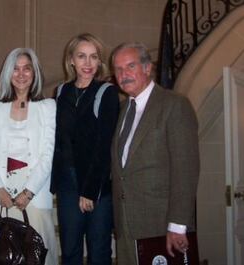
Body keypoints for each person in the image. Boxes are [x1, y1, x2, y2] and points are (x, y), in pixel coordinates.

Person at [110, 42, 200, 265]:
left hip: (161, 224)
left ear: (147, 68)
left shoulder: (174, 105)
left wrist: (178, 225)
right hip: (125, 224)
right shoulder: (121, 110)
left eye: (130, 66)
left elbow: (185, 169)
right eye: (118, 69)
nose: (124, 74)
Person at [0, 48, 58, 265]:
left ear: (34, 73)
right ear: (7, 73)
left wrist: (28, 192)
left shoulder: (48, 106)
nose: (21, 74)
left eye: (26, 68)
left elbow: (48, 153)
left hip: (34, 195)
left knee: (33, 257)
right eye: (15, 69)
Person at [50, 33, 120, 265]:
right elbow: (59, 139)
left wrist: (89, 190)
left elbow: (104, 145)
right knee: (70, 251)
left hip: (97, 184)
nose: (88, 63)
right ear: (71, 60)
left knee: (99, 252)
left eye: (93, 57)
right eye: (82, 56)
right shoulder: (61, 92)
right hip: (68, 183)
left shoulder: (107, 92)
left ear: (100, 61)